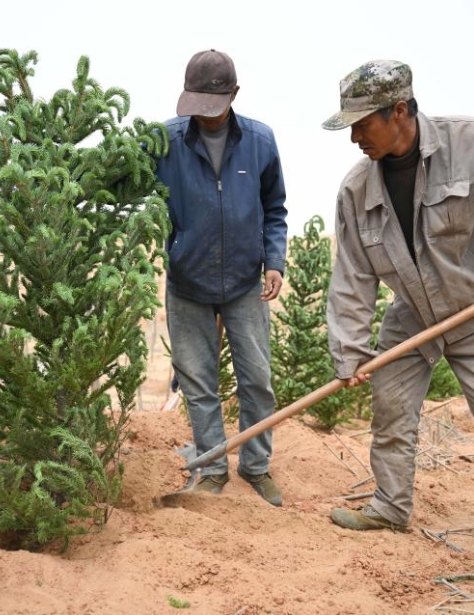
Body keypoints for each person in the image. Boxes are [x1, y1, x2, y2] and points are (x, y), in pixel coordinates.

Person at [320, 60, 474, 585]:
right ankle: (389, 508)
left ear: (400, 111)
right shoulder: (355, 191)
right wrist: (349, 350)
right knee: (391, 409)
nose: (354, 140)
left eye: (362, 125)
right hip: (412, 313)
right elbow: (352, 277)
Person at [156, 49, 288, 506]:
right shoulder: (165, 142)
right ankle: (212, 467)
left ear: (234, 95)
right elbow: (135, 197)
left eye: (214, 107)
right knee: (197, 381)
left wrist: (275, 260)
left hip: (244, 282)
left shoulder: (260, 141)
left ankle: (257, 467)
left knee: (257, 380)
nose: (206, 118)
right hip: (187, 281)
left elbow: (275, 209)